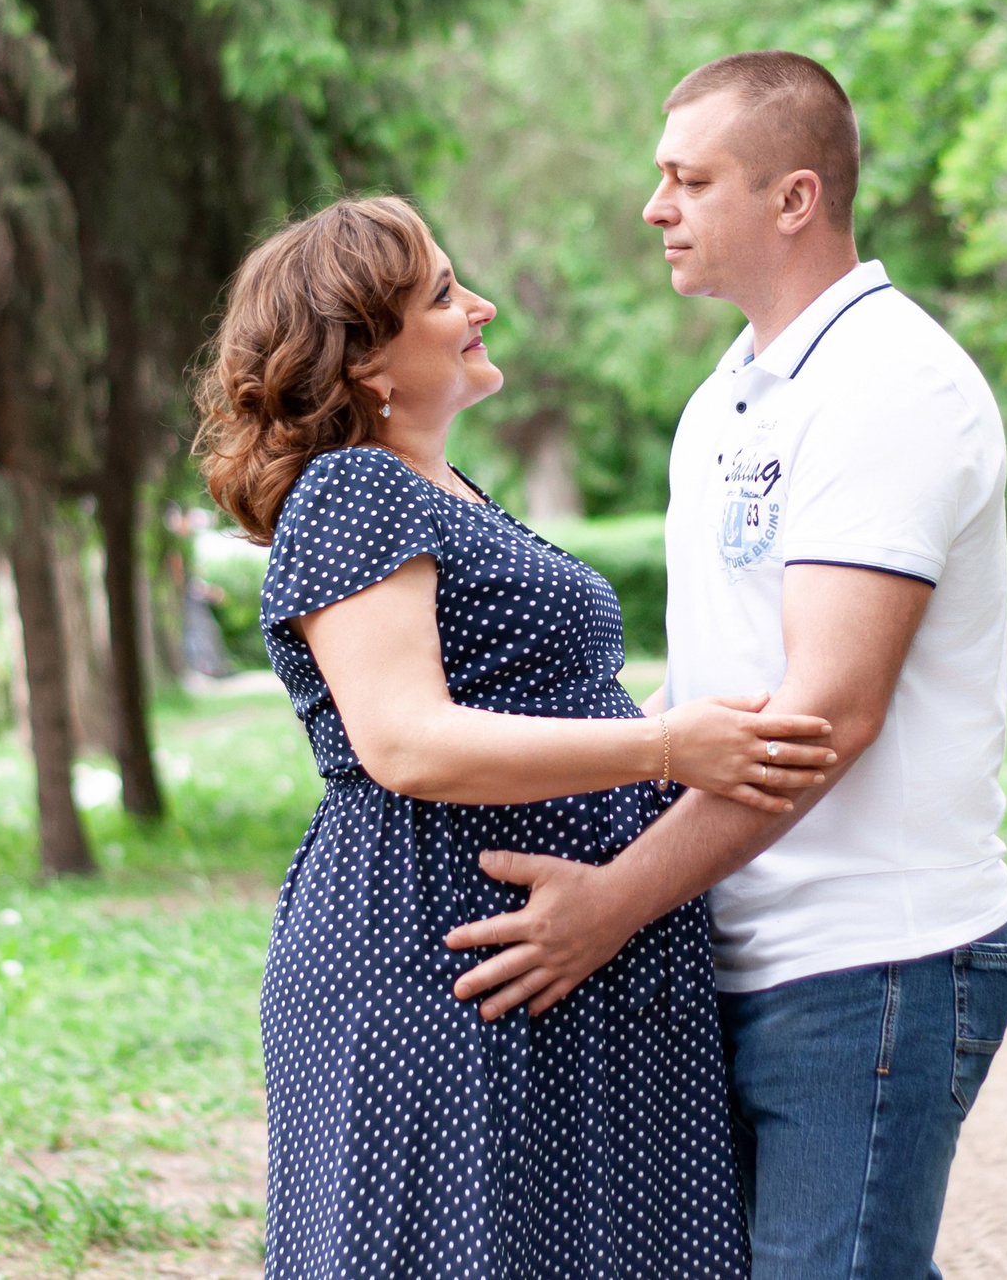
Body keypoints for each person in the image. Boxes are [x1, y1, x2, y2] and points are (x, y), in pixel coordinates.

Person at [447, 51, 1007, 1280]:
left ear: (793, 198)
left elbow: (825, 715)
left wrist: (611, 904)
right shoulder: (728, 398)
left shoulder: (890, 386)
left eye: (687, 179)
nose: (654, 207)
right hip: (735, 947)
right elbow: (706, 684)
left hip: (871, 962)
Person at [195, 194, 842, 1280]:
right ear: (365, 363)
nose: (480, 306)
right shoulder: (355, 490)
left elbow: (525, 699)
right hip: (436, 959)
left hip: (538, 958)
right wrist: (663, 750)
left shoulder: (440, 491)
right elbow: (404, 742)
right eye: (443, 294)